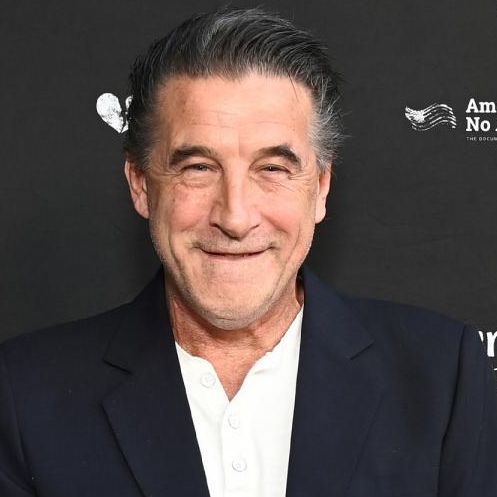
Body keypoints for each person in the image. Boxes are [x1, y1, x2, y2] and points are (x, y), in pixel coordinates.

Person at [1, 7, 496, 497]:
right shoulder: (25, 398)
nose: (235, 217)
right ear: (142, 185)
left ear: (321, 187)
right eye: (198, 167)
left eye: (273, 169)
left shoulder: (440, 377)